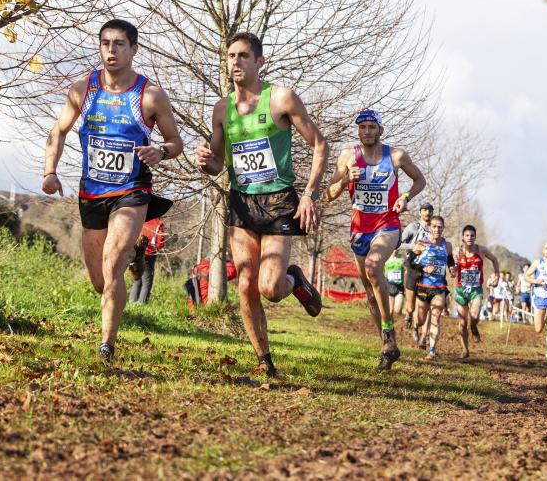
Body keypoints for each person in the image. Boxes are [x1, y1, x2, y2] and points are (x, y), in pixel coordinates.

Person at [42, 19, 183, 362]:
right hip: (91, 193)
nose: (111, 50)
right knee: (99, 281)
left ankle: (107, 343)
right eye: (105, 43)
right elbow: (58, 131)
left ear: (133, 49)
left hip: (131, 191)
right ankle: (130, 256)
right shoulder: (83, 89)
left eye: (119, 44)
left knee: (111, 264)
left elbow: (176, 141)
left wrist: (160, 151)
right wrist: (50, 171)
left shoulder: (150, 95)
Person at [194, 32, 328, 377]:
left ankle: (294, 281)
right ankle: (263, 361)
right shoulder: (222, 109)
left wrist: (310, 194)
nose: (235, 62)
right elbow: (218, 162)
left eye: (243, 56)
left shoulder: (280, 99)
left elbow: (320, 145)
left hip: (279, 201)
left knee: (269, 287)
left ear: (259, 61)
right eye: (230, 56)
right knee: (245, 282)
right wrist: (205, 159)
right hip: (242, 203)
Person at [326, 108, 426, 370]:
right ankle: (387, 343)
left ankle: (388, 335)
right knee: (370, 292)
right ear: (358, 131)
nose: (367, 131)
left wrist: (405, 198)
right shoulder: (348, 156)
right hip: (359, 229)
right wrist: (347, 178)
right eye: (362, 127)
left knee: (373, 267)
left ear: (380, 130)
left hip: (387, 225)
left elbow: (419, 180)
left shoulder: (395, 156)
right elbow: (329, 193)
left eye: (372, 127)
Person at [453, 224, 500, 359]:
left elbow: (495, 259)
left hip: (475, 290)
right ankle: (465, 349)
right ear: (462, 237)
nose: (469, 238)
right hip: (461, 290)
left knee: (474, 315)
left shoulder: (481, 250)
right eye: (467, 235)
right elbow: (452, 265)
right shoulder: (458, 251)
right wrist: (453, 268)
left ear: (475, 237)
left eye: (472, 235)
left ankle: (474, 327)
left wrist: (497, 275)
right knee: (462, 323)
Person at [409, 215, 453, 360]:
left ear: (443, 228)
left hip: (439, 287)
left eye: (440, 226)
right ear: (429, 228)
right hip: (423, 286)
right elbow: (409, 262)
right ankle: (416, 326)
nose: (437, 229)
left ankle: (432, 350)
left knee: (436, 316)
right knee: (421, 320)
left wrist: (452, 269)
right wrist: (423, 268)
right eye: (434, 226)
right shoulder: (422, 243)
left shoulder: (447, 245)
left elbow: (450, 262)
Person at [399, 203, 433, 330]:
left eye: (430, 210)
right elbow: (398, 243)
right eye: (424, 210)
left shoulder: (434, 230)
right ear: (420, 212)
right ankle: (408, 315)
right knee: (410, 307)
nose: (427, 213)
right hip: (413, 267)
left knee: (426, 305)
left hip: (428, 271)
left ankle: (423, 334)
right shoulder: (413, 227)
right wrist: (412, 247)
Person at [129, 217, 166, 304]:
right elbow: (160, 243)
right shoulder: (158, 224)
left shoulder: (141, 218)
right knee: (147, 281)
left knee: (137, 279)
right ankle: (142, 304)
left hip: (135, 252)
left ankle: (131, 302)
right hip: (149, 254)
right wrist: (156, 248)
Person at [384, 249, 406, 317]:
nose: (394, 250)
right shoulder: (385, 258)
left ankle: (402, 319)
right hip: (388, 287)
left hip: (399, 287)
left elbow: (407, 269)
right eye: (393, 248)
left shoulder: (402, 258)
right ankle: (391, 327)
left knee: (397, 310)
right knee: (390, 312)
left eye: (396, 248)